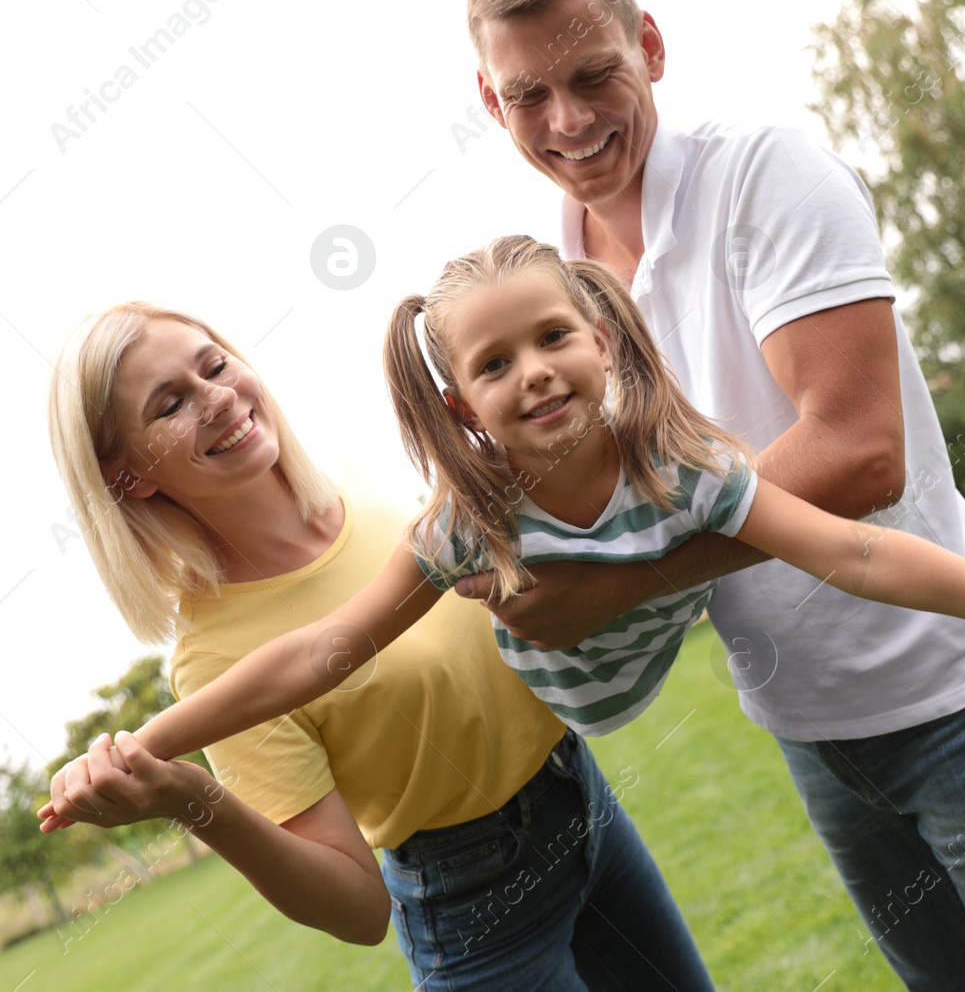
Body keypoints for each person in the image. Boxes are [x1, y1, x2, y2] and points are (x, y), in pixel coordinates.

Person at [452, 0, 965, 989]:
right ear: (490, 100)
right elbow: (613, 492)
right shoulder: (554, 289)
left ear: (648, 45)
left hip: (946, 688)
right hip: (806, 723)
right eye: (529, 95)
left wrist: (615, 585)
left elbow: (858, 450)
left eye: (594, 73)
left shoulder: (761, 173)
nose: (568, 120)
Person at [120, 236, 965, 778]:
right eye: (495, 363)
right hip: (545, 691)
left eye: (551, 338)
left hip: (636, 646)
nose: (534, 373)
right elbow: (321, 652)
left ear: (600, 337)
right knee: (456, 606)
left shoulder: (680, 469)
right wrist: (152, 742)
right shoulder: (466, 518)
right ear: (462, 402)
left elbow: (854, 553)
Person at [37, 301, 718, 992]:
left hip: (583, 798)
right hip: (479, 912)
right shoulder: (212, 657)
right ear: (128, 476)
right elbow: (359, 910)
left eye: (213, 365)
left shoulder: (356, 477)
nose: (217, 398)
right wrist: (191, 797)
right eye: (170, 404)